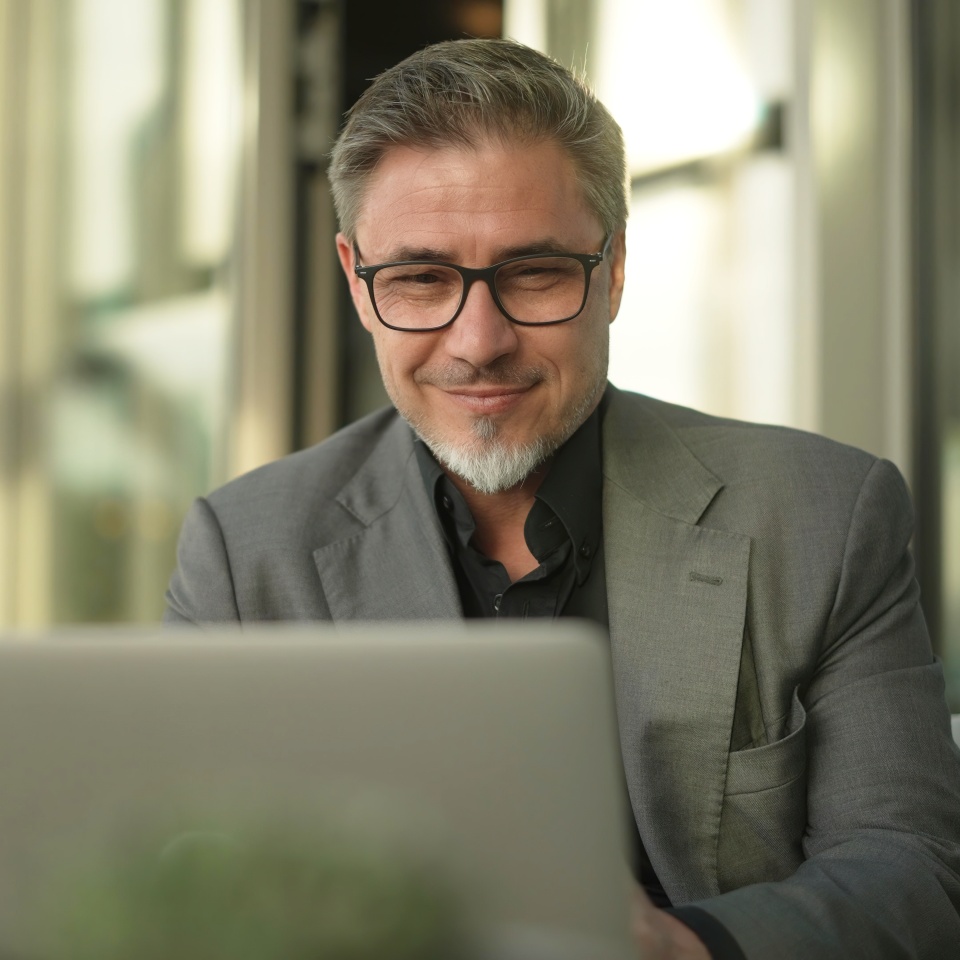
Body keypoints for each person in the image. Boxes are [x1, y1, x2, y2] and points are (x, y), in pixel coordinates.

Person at [164, 38, 960, 959]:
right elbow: (187, 883)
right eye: (421, 279)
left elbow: (914, 868)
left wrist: (685, 949)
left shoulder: (825, 514)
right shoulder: (241, 550)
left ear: (613, 270)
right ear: (355, 279)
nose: (479, 341)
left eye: (533, 272)